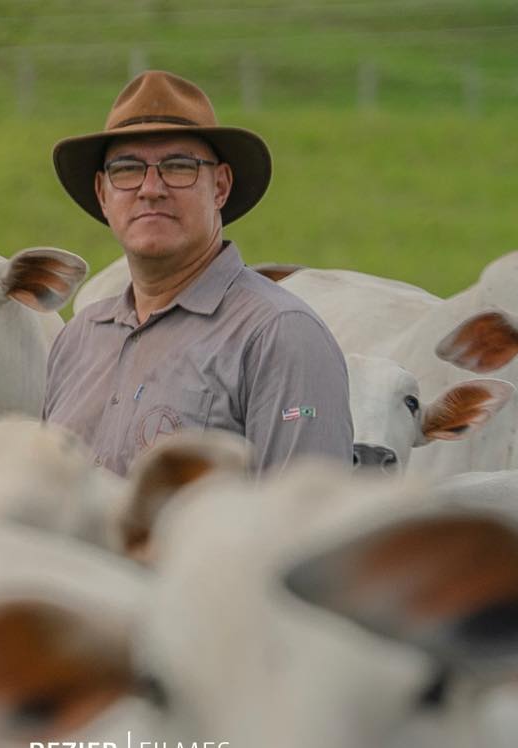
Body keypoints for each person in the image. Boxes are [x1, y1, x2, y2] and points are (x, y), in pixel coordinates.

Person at [42, 70, 353, 477]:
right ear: (103, 193)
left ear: (220, 186)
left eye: (179, 166)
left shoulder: (279, 335)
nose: (151, 188)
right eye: (127, 169)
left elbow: (307, 522)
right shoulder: (77, 340)